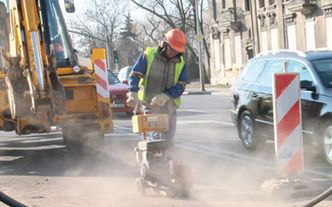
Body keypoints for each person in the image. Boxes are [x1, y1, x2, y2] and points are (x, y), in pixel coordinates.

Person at [126, 28, 188, 143]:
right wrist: (133, 92)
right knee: (153, 139)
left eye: (177, 50)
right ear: (164, 44)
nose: (174, 52)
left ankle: (166, 159)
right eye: (172, 49)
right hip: (149, 105)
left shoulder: (181, 63)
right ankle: (152, 159)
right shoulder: (149, 55)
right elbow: (135, 74)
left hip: (169, 106)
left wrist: (166, 96)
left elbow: (182, 85)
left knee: (168, 141)